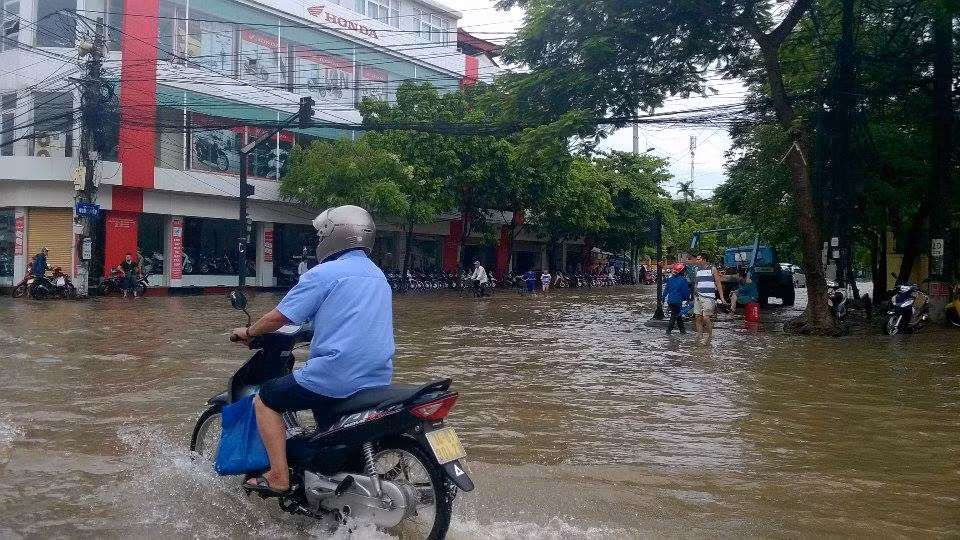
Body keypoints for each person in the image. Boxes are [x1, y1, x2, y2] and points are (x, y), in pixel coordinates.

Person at [230, 205, 394, 495]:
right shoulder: (378, 276)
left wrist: (249, 332)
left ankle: (279, 476)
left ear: (334, 235)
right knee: (328, 427)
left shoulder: (324, 274)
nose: (319, 242)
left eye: (321, 235)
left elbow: (279, 317)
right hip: (376, 378)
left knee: (266, 399)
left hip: (335, 376)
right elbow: (349, 320)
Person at [691, 252, 725, 342]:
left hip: (709, 297)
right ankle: (700, 336)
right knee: (698, 316)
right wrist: (694, 294)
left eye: (699, 259)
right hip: (698, 296)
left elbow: (718, 283)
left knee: (706, 317)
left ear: (704, 259)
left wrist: (721, 297)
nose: (697, 261)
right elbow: (696, 283)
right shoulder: (696, 269)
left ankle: (710, 336)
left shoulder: (712, 268)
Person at [665, 262, 690, 335]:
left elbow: (666, 291)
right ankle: (668, 331)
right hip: (677, 301)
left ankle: (682, 331)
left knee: (678, 315)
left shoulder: (670, 279)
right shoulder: (683, 280)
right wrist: (688, 299)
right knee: (674, 316)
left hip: (670, 301)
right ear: (682, 271)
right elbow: (685, 292)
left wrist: (663, 300)